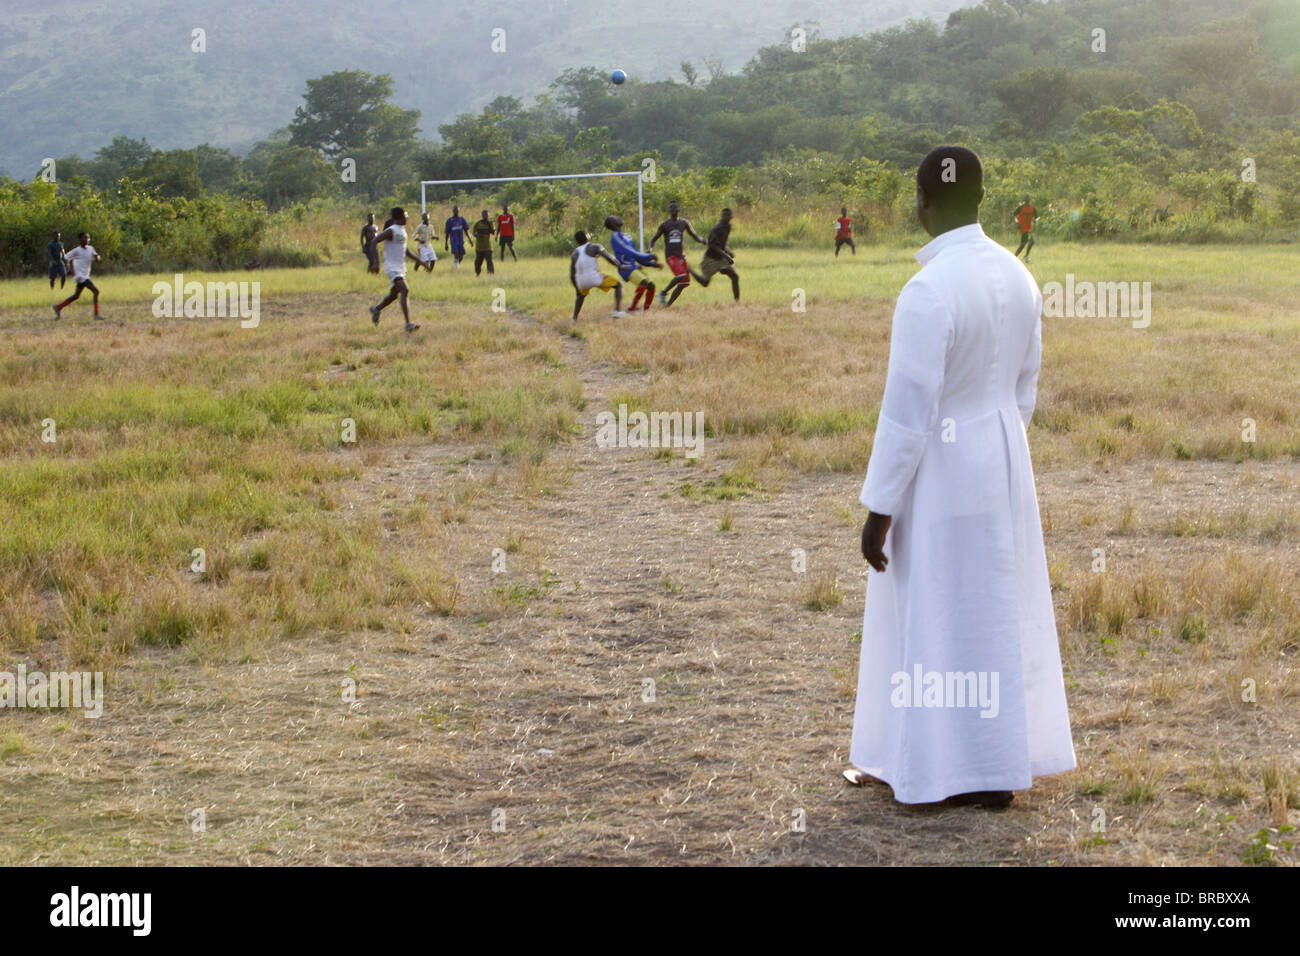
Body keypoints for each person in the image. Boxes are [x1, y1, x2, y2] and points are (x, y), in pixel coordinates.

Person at [847, 146, 1074, 809]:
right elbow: (1025, 390)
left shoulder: (928, 289)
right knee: (990, 613)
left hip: (940, 470)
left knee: (932, 614)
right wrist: (998, 448)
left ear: (922, 202)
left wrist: (879, 508)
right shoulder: (1017, 276)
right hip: (1002, 459)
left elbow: (908, 413)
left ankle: (928, 772)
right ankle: (993, 770)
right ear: (980, 200)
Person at [368, 207, 420, 333]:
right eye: (406, 215)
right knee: (405, 289)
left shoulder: (402, 231)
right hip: (391, 268)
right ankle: (408, 324)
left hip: (400, 268)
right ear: (400, 217)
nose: (407, 217)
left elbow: (405, 250)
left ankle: (377, 309)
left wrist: (420, 261)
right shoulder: (391, 230)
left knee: (393, 295)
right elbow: (374, 241)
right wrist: (375, 262)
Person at [648, 200, 705, 307]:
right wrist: (650, 248)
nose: (673, 210)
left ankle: (667, 305)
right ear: (669, 210)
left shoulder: (684, 223)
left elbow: (694, 235)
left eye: (675, 207)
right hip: (671, 255)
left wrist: (701, 240)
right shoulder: (664, 225)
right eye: (671, 208)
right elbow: (653, 239)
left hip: (681, 256)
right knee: (681, 275)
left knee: (684, 283)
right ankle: (662, 293)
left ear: (678, 209)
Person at [604, 215, 661, 312]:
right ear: (612, 224)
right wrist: (648, 256)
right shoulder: (615, 236)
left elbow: (635, 253)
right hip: (626, 268)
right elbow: (628, 251)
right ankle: (632, 308)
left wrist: (651, 264)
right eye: (615, 218)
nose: (619, 218)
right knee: (644, 283)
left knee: (651, 286)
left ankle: (646, 310)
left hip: (634, 266)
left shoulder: (626, 236)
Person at [570, 230, 625, 321]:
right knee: (618, 285)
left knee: (580, 296)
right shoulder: (595, 247)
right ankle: (617, 311)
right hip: (595, 278)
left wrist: (577, 288)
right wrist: (620, 266)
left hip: (581, 282)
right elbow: (609, 258)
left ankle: (574, 319)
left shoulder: (574, 254)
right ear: (587, 237)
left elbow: (572, 275)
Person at [691, 208, 740, 301]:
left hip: (721, 258)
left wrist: (728, 251)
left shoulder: (728, 226)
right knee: (705, 283)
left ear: (731, 217)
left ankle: (737, 302)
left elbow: (723, 242)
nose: (726, 217)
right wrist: (727, 256)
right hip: (711, 258)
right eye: (724, 215)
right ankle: (689, 270)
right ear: (721, 216)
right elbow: (712, 245)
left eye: (728, 215)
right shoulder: (717, 228)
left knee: (734, 276)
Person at [53, 232, 101, 319]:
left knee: (76, 296)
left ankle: (58, 307)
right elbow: (65, 258)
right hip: (80, 276)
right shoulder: (77, 250)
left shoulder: (91, 249)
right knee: (96, 291)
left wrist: (97, 257)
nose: (86, 239)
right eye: (84, 238)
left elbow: (96, 257)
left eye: (88, 238)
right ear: (80, 239)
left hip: (85, 275)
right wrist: (69, 268)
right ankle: (96, 315)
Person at [471, 209, 495, 276]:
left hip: (488, 246)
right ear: (482, 215)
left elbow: (493, 232)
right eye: (484, 215)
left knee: (489, 262)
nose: (485, 217)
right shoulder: (478, 224)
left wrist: (491, 227)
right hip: (479, 247)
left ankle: (491, 274)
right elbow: (473, 233)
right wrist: (475, 234)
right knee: (477, 262)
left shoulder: (490, 223)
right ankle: (477, 274)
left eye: (487, 215)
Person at [1013, 195, 1036, 262]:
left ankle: (1015, 257)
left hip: (1028, 229)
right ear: (1024, 200)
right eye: (1026, 199)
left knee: (1023, 244)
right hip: (1023, 228)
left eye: (1028, 199)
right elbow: (1014, 214)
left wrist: (1035, 220)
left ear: (1029, 200)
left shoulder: (1032, 208)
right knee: (1031, 241)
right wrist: (1017, 222)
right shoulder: (1020, 208)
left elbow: (1037, 217)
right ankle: (1025, 257)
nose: (1027, 201)